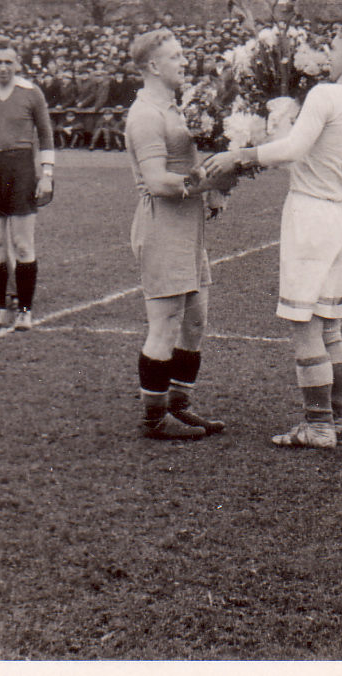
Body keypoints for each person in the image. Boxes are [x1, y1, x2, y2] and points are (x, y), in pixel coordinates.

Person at [203, 23, 342, 450]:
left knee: (304, 326)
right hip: (341, 218)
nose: (329, 55)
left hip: (312, 216)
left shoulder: (326, 94)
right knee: (330, 329)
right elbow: (306, 150)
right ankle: (338, 421)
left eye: (335, 48)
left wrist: (239, 154)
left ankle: (317, 425)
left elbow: (293, 150)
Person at [124, 29, 229, 440]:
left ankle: (179, 405)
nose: (185, 62)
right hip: (162, 225)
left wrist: (217, 185)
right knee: (165, 323)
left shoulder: (175, 107)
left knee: (196, 321)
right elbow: (158, 183)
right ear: (153, 66)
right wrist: (209, 182)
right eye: (176, 56)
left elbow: (189, 159)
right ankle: (153, 419)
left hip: (189, 225)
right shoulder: (146, 114)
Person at [0, 38, 56, 331]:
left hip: (21, 170)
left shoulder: (32, 93)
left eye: (8, 62)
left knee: (22, 244)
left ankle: (25, 311)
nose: (3, 68)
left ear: (18, 64)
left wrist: (47, 175)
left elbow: (46, 135)